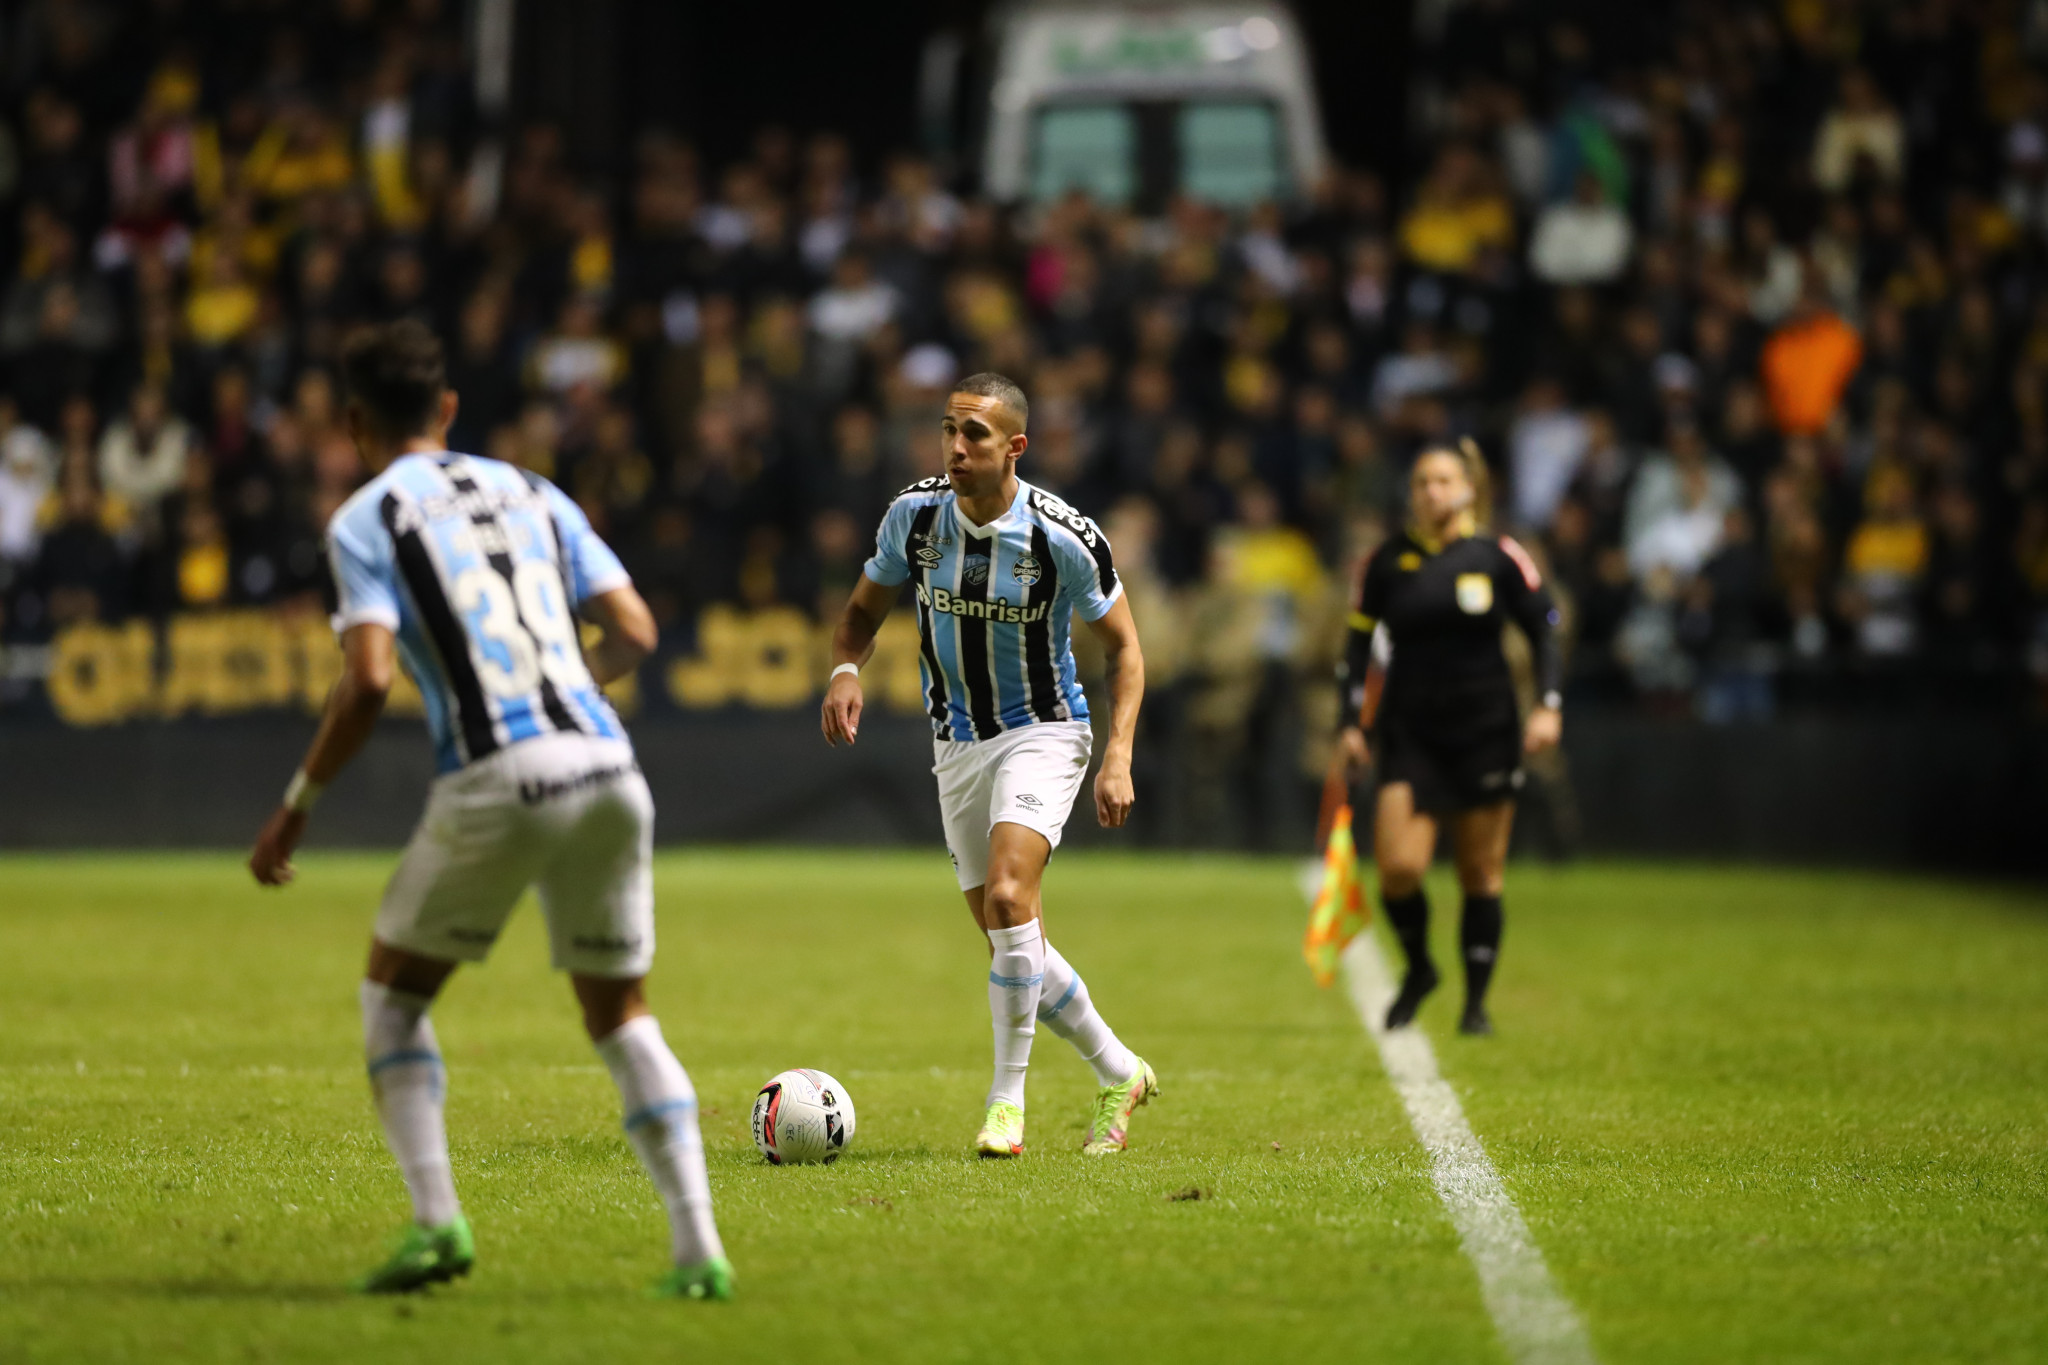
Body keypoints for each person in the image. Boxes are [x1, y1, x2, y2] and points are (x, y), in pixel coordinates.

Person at [245, 321, 731, 1301]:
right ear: (449, 407)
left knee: (393, 994)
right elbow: (637, 630)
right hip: (608, 765)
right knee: (620, 1012)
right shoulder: (535, 491)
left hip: (501, 771)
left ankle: (437, 1224)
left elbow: (366, 679)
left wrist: (297, 806)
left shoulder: (365, 519)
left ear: (353, 423)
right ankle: (699, 1254)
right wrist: (569, 687)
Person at [819, 371, 1156, 1159]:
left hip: (1043, 730)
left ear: (1015, 446)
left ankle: (1006, 1105)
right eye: (949, 429)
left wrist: (1118, 754)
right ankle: (1120, 1070)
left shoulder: (1062, 535)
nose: (957, 446)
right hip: (956, 742)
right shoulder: (914, 515)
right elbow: (860, 615)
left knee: (1009, 895)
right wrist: (844, 670)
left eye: (974, 433)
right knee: (1010, 932)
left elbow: (1126, 649)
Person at [1335, 441, 1562, 1035]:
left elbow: (1545, 627)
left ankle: (1476, 1005)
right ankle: (1420, 968)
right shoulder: (1387, 561)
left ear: (1467, 489)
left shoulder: (1498, 555)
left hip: (1485, 729)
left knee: (1480, 872)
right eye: (1422, 482)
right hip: (1410, 730)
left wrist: (1548, 705)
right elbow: (1356, 647)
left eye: (1443, 480)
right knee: (1399, 868)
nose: (1431, 491)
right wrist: (1350, 724)